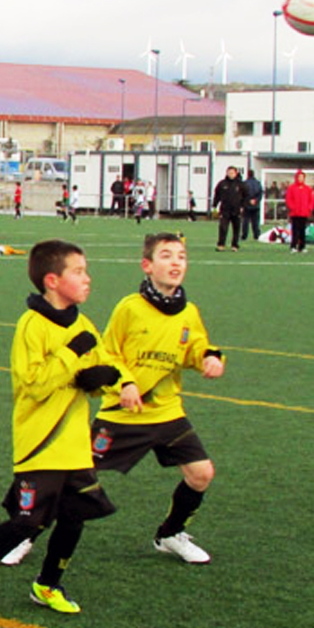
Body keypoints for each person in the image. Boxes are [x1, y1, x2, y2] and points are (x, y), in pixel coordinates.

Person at [0, 239, 139, 619]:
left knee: (75, 516)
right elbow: (34, 384)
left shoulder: (84, 324)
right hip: (39, 445)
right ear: (52, 280)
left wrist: (122, 384)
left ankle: (48, 583)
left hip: (74, 445)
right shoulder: (32, 325)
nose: (88, 279)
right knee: (26, 522)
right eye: (79, 272)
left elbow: (103, 365)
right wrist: (74, 358)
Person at [90, 232, 226, 564]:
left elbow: (196, 346)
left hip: (167, 413)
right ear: (147, 266)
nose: (176, 262)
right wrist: (126, 384)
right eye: (166, 256)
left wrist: (210, 358)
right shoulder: (130, 307)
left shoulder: (188, 311)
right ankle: (25, 533)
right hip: (123, 415)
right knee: (71, 473)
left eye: (181, 256)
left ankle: (170, 534)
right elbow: (107, 354)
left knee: (201, 473)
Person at [211, 166, 245, 252]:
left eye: (232, 173)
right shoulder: (222, 184)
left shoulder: (240, 184)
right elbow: (217, 195)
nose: (230, 174)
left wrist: (243, 206)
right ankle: (221, 244)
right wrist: (214, 205)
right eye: (229, 172)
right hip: (225, 210)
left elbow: (246, 196)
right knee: (223, 227)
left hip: (236, 210)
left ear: (236, 173)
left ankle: (235, 245)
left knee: (236, 228)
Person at [284, 170, 314, 254]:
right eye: (299, 177)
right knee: (295, 230)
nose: (300, 179)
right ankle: (293, 246)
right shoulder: (291, 188)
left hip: (304, 213)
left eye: (302, 177)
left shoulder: (308, 189)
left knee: (302, 231)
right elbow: (288, 199)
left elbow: (311, 200)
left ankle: (302, 246)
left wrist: (309, 209)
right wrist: (292, 208)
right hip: (295, 213)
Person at [241, 169, 264, 245]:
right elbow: (260, 193)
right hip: (256, 205)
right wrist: (256, 200)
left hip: (247, 205)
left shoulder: (245, 183)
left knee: (245, 221)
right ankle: (256, 235)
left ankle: (244, 235)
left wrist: (247, 201)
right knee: (255, 221)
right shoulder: (258, 183)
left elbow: (243, 194)